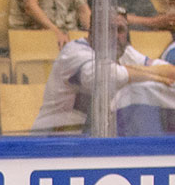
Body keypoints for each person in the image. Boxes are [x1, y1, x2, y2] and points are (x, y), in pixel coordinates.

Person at [33, 8, 175, 135]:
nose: (114, 36)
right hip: (50, 143)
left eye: (120, 30)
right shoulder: (73, 53)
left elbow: (169, 71)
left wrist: (149, 73)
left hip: (89, 143)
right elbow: (106, 77)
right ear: (92, 32)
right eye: (108, 29)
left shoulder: (125, 52)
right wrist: (153, 75)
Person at [9, 0, 92, 48]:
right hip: (33, 35)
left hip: (66, 37)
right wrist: (56, 33)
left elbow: (83, 10)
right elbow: (30, 6)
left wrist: (94, 34)